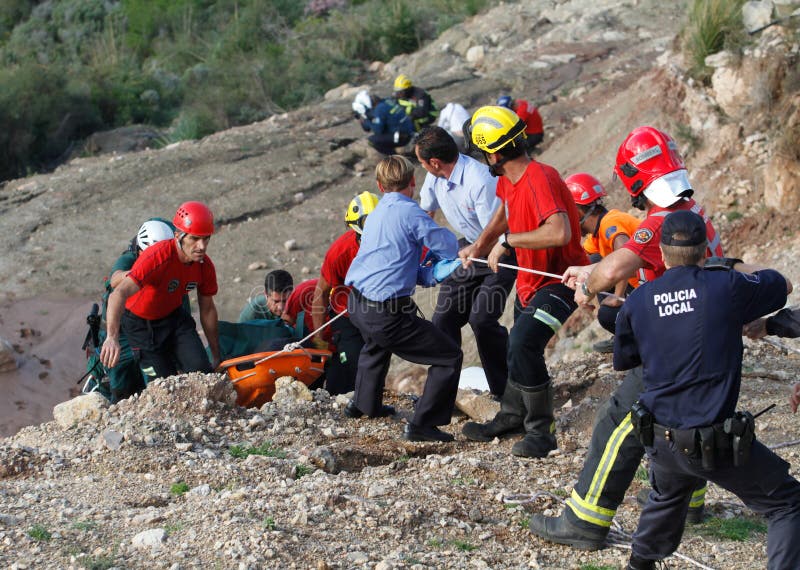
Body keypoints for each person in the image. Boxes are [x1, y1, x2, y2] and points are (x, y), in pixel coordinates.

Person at [530, 126, 724, 550]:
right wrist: (590, 271)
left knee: (619, 421)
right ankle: (686, 503)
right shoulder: (695, 213)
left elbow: (617, 268)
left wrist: (588, 284)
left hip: (672, 346)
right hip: (705, 340)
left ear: (636, 178)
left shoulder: (659, 222)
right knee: (687, 418)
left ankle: (584, 521)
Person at [615, 210, 800, 570]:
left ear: (662, 254)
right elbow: (780, 284)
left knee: (668, 493)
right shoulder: (726, 286)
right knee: (787, 502)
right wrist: (727, 266)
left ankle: (639, 565)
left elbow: (625, 358)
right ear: (704, 252)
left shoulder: (638, 300)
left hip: (661, 438)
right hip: (712, 442)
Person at [458, 106, 588, 458]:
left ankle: (541, 432)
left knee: (523, 343)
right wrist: (481, 244)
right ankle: (513, 415)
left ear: (495, 153)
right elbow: (504, 209)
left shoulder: (540, 178)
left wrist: (508, 242)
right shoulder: (508, 177)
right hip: (531, 280)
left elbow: (559, 231)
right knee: (518, 348)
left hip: (561, 281)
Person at [345, 155, 462, 442]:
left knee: (374, 346)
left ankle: (364, 404)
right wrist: (460, 254)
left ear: (379, 186)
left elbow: (396, 263)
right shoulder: (411, 213)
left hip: (357, 303)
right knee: (448, 356)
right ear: (412, 182)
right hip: (386, 314)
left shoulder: (377, 213)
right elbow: (448, 246)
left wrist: (426, 273)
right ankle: (423, 424)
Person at [415, 126, 514, 398]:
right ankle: (442, 393)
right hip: (468, 249)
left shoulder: (479, 179)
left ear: (435, 162)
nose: (423, 167)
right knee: (443, 319)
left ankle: (506, 391)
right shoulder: (434, 177)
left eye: (423, 162)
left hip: (499, 252)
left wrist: (473, 249)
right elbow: (426, 212)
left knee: (482, 319)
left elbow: (494, 231)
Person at [99, 201, 221, 381]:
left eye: (206, 238)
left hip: (174, 318)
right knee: (165, 384)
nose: (202, 246)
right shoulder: (157, 257)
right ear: (178, 235)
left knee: (201, 372)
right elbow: (119, 293)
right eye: (194, 239)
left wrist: (216, 353)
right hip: (140, 326)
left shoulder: (205, 266)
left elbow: (208, 309)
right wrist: (111, 338)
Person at [310, 191, 380, 395]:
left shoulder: (389, 241)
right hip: (346, 314)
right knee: (353, 359)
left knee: (377, 359)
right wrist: (320, 335)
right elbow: (321, 293)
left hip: (377, 311)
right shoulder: (339, 252)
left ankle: (371, 400)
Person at [99, 219, 176, 402]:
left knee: (158, 382)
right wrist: (143, 272)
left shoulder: (174, 266)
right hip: (123, 331)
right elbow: (114, 279)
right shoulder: (128, 260)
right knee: (120, 384)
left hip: (152, 330)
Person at [567, 172, 642, 352]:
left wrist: (617, 296)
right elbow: (587, 264)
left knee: (607, 314)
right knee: (593, 263)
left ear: (577, 212)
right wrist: (580, 281)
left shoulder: (611, 224)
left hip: (653, 288)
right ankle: (626, 335)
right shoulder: (596, 235)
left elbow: (627, 257)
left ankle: (638, 343)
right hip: (642, 286)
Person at [352, 89, 414, 156]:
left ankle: (396, 157)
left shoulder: (380, 109)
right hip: (408, 131)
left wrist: (366, 121)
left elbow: (378, 130)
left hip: (402, 137)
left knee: (372, 141)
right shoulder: (387, 101)